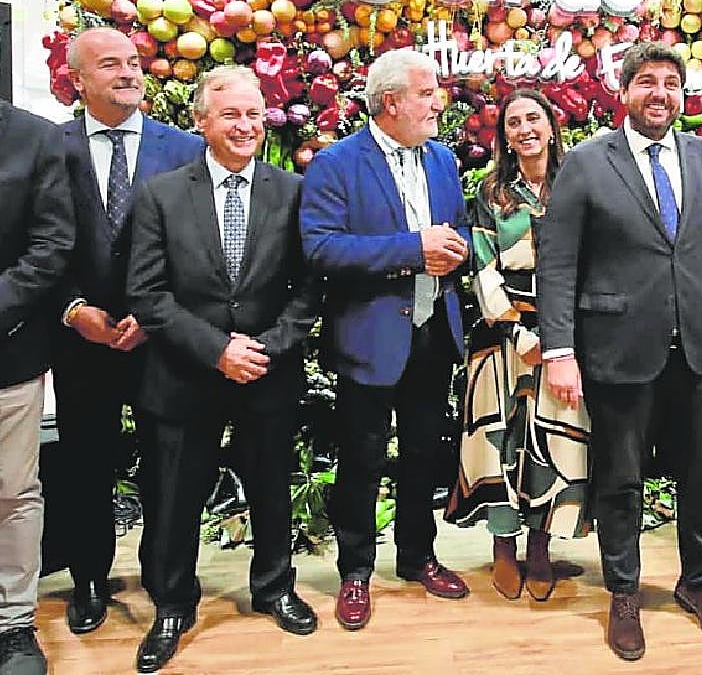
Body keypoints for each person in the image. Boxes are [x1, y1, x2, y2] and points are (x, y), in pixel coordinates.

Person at [536, 42, 702, 661]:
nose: (659, 93)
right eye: (647, 82)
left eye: (670, 83)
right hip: (618, 347)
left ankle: (700, 582)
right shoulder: (586, 163)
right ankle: (624, 592)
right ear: (625, 91)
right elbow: (557, 265)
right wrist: (559, 349)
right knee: (621, 479)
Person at [126, 66, 321, 672]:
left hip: (267, 370)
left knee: (271, 488)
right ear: (202, 121)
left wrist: (265, 347)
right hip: (185, 373)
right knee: (175, 498)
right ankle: (172, 605)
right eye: (231, 115)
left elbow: (309, 288)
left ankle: (274, 588)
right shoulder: (160, 194)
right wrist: (217, 350)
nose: (245, 126)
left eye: (254, 115)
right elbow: (147, 293)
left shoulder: (294, 192)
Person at [300, 49, 472, 630]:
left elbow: (456, 228)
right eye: (426, 93)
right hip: (369, 338)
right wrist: (412, 250)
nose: (438, 102)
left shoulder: (442, 159)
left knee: (423, 454)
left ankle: (418, 556)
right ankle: (355, 571)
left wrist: (456, 250)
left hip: (432, 334)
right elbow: (321, 247)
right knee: (362, 459)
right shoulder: (336, 163)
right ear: (391, 101)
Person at [51, 28, 203, 636]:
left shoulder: (185, 148)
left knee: (167, 465)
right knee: (84, 462)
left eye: (134, 62)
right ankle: (88, 578)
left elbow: (198, 244)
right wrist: (72, 309)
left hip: (160, 339)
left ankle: (166, 581)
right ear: (78, 80)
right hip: (80, 337)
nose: (128, 73)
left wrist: (158, 313)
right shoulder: (51, 147)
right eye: (110, 64)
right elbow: (34, 238)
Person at [444, 89, 590, 601]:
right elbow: (482, 268)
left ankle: (541, 547)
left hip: (564, 337)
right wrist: (515, 330)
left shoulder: (578, 184)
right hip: (503, 338)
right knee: (499, 441)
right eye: (513, 122)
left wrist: (561, 338)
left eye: (533, 118)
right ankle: (503, 547)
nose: (525, 129)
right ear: (504, 135)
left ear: (551, 126)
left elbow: (594, 262)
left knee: (555, 442)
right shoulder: (491, 192)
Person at [0, 100, 74, 675]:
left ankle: (13, 624)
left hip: (8, 349)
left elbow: (51, 245)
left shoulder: (34, 137)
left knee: (12, 492)